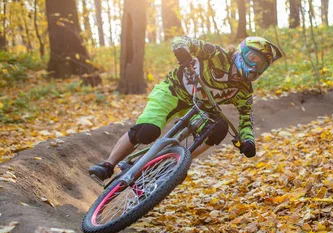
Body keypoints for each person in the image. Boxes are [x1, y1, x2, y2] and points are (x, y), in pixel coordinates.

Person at [89, 36, 283, 181]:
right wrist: (182, 50)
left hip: (198, 107)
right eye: (252, 58)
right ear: (240, 53)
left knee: (219, 129)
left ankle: (176, 164)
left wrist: (248, 141)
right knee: (147, 131)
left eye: (261, 65)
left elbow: (246, 119)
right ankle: (108, 165)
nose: (255, 67)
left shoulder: (244, 90)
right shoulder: (215, 54)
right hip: (172, 91)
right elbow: (182, 40)